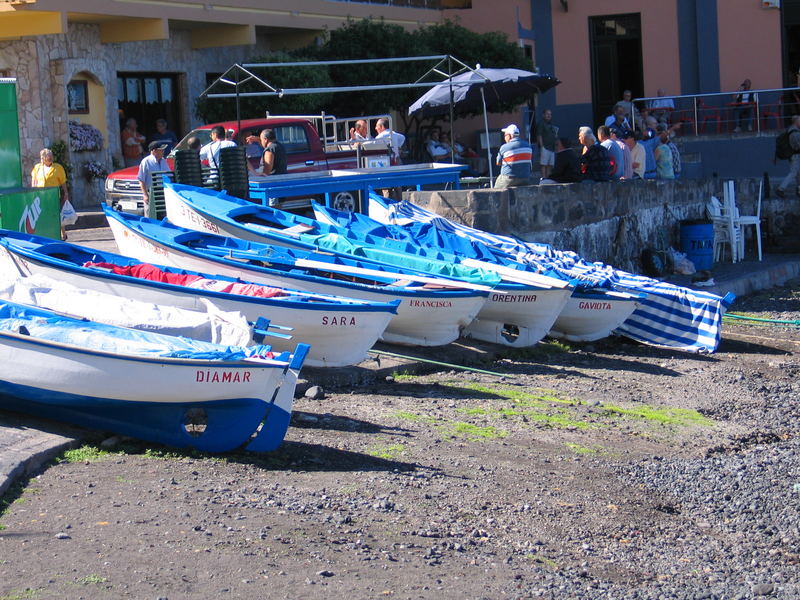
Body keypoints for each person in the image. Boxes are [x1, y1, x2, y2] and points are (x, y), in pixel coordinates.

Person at [31, 147, 70, 240]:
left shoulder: (57, 167)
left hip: (53, 196)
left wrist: (66, 193)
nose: (51, 158)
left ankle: (63, 234)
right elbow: (34, 181)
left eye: (51, 156)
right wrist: (32, 192)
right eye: (48, 156)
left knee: (57, 214)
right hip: (40, 196)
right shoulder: (37, 168)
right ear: (43, 158)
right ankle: (44, 234)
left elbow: (63, 181)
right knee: (41, 215)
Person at [494, 123, 532, 188]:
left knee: (497, 186)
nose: (504, 137)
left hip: (509, 179)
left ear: (509, 136)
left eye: (505, 135)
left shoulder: (505, 147)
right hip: (525, 178)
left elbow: (498, 163)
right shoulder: (528, 146)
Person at [137, 141, 170, 215]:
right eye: (161, 150)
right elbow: (141, 180)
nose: (163, 151)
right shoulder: (146, 162)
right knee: (150, 215)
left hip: (162, 193)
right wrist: (145, 195)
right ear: (154, 151)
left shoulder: (163, 161)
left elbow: (168, 175)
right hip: (151, 194)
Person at [776, 115, 800, 198]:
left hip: (793, 155)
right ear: (796, 122)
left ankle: (799, 189)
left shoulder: (790, 130)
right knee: (793, 173)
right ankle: (781, 188)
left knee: (797, 173)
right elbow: (797, 145)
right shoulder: (794, 132)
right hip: (795, 155)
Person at [536, 108, 559, 179]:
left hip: (552, 148)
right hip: (545, 147)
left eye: (550, 114)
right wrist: (542, 146)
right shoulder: (541, 124)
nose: (549, 116)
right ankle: (543, 178)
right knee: (544, 164)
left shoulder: (551, 124)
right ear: (543, 115)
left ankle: (548, 179)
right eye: (547, 114)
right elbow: (539, 135)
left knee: (550, 165)